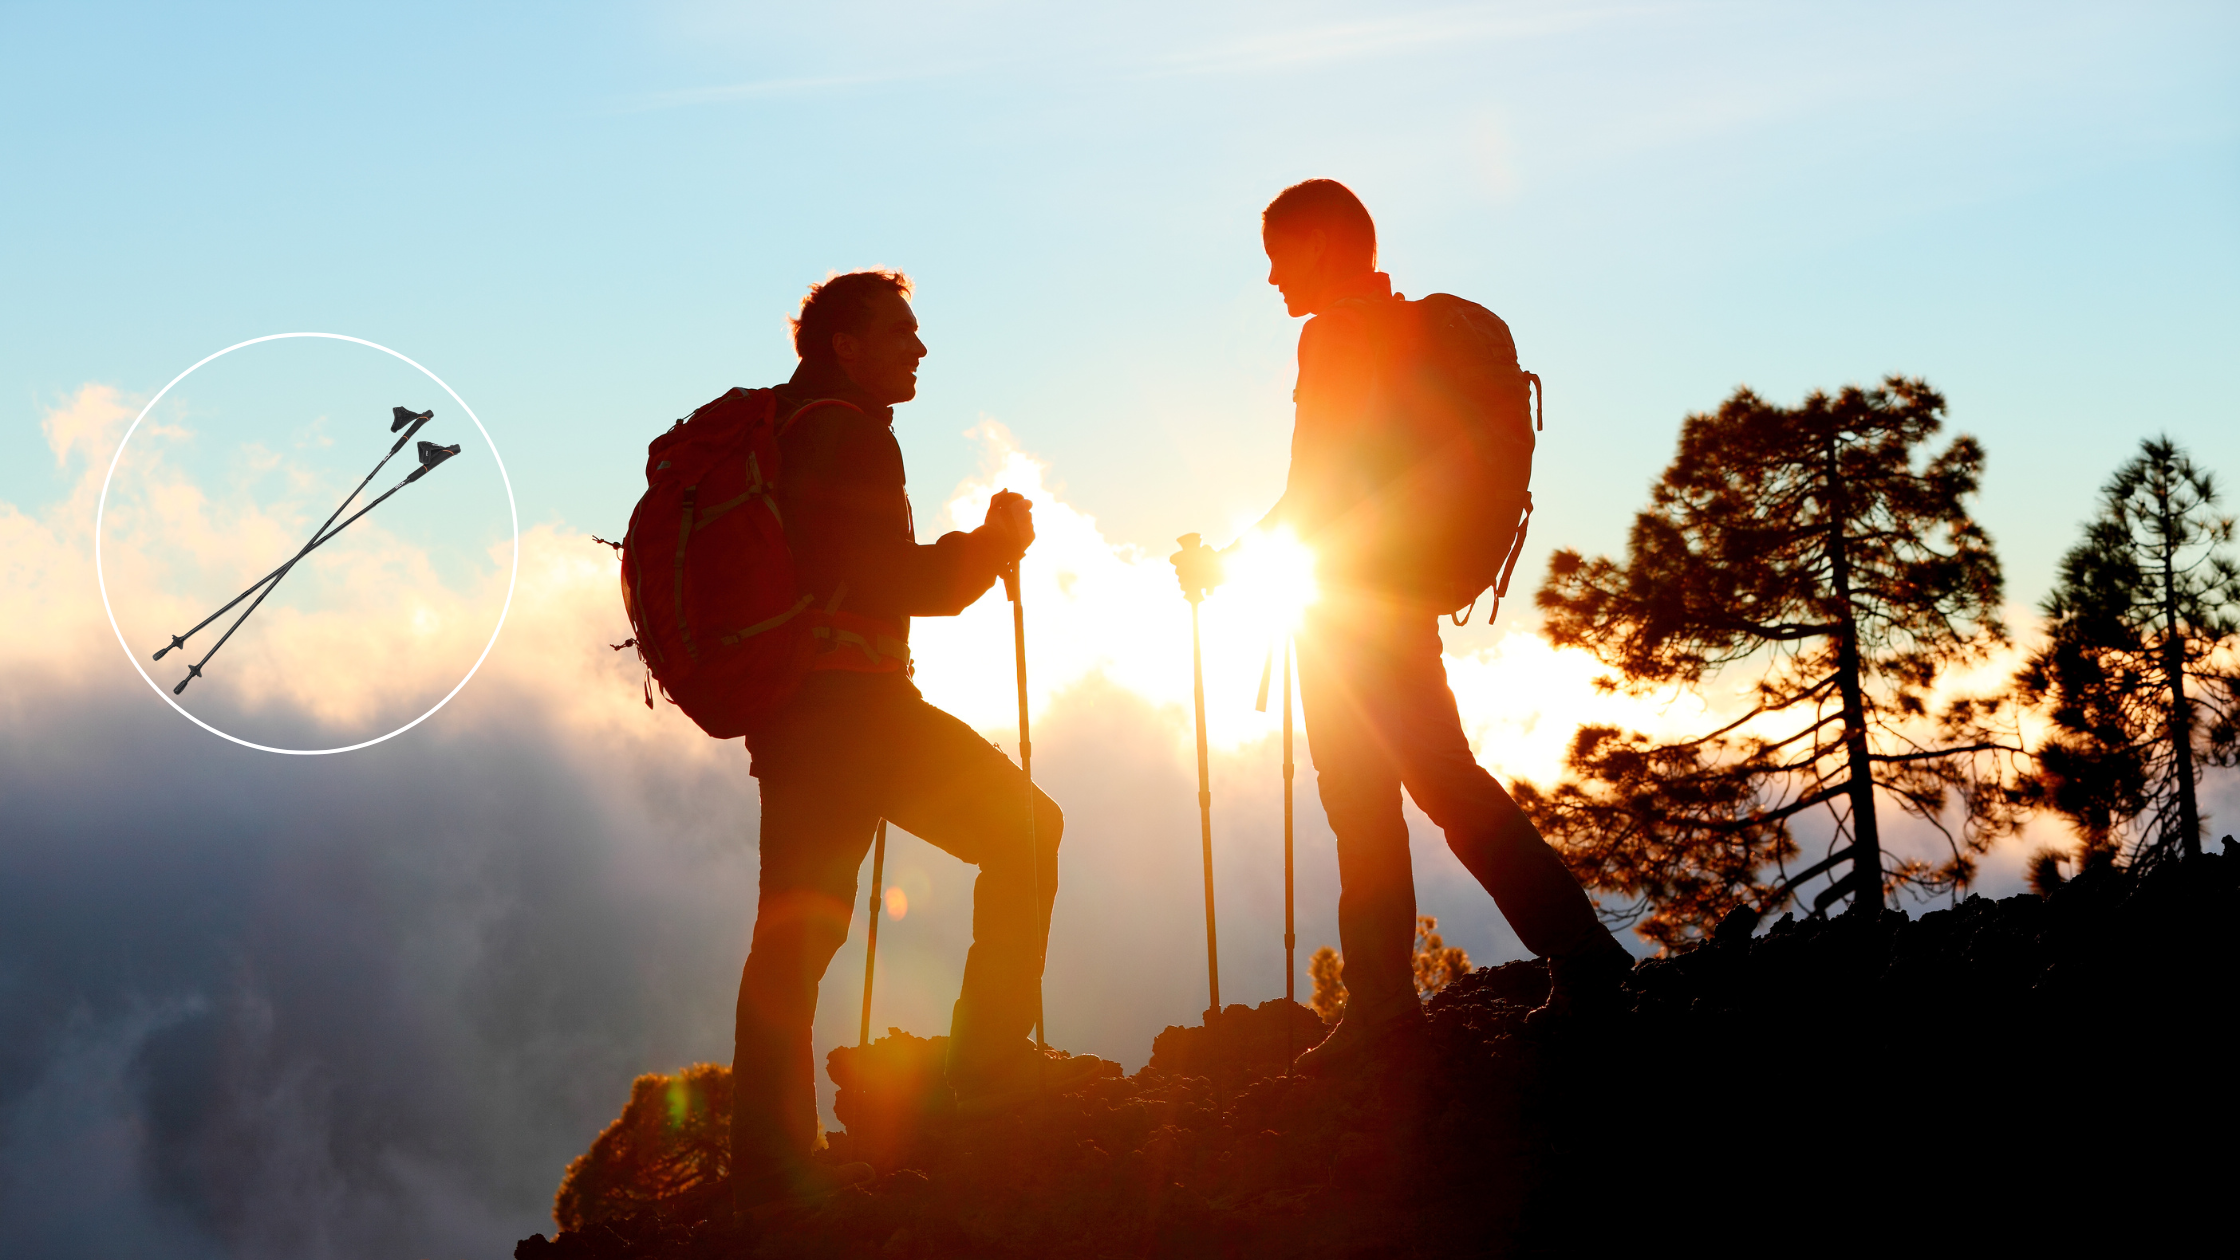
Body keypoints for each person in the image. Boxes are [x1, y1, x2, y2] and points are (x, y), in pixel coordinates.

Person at [1173, 181, 1633, 1076]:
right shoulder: (1401, 332)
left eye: (1278, 256)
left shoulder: (1335, 335)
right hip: (1397, 594)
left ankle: (1414, 1001)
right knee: (1434, 783)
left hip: (1352, 610)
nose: (1270, 278)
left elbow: (1315, 489)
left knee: (1380, 801)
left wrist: (1224, 565)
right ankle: (1555, 961)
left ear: (1318, 244)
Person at [732, 270, 1103, 1211]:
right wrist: (992, 545)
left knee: (795, 935)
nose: (920, 348)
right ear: (846, 345)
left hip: (799, 719)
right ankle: (988, 1070)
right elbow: (894, 580)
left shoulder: (793, 428)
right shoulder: (847, 434)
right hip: (857, 714)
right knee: (1027, 830)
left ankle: (769, 1165)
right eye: (900, 332)